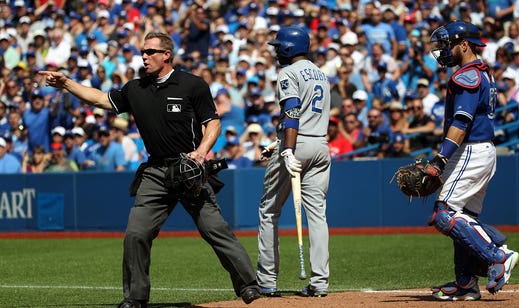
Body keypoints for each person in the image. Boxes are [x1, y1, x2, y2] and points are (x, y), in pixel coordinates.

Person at [39, 32, 261, 307]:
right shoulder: (136, 88)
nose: (144, 56)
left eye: (150, 51)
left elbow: (212, 123)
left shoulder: (192, 85)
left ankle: (249, 285)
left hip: (189, 169)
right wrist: (67, 83)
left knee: (214, 228)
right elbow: (99, 99)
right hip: (156, 171)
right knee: (135, 233)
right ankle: (135, 297)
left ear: (166, 54)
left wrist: (201, 152)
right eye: (143, 52)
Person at [428, 21, 519, 301]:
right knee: (463, 218)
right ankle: (465, 282)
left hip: (470, 150)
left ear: (464, 45)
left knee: (444, 214)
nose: (443, 51)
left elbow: (462, 121)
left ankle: (497, 255)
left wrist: (441, 159)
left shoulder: (465, 76)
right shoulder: (483, 72)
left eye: (447, 45)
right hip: (481, 150)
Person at [257, 26, 331, 297]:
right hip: (320, 144)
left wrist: (286, 149)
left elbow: (292, 112)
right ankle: (320, 283)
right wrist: (278, 143)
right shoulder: (321, 73)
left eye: (279, 46)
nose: (276, 50)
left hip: (296, 144)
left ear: (289, 47)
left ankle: (266, 280)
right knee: (318, 215)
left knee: (269, 210)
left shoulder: (288, 72)